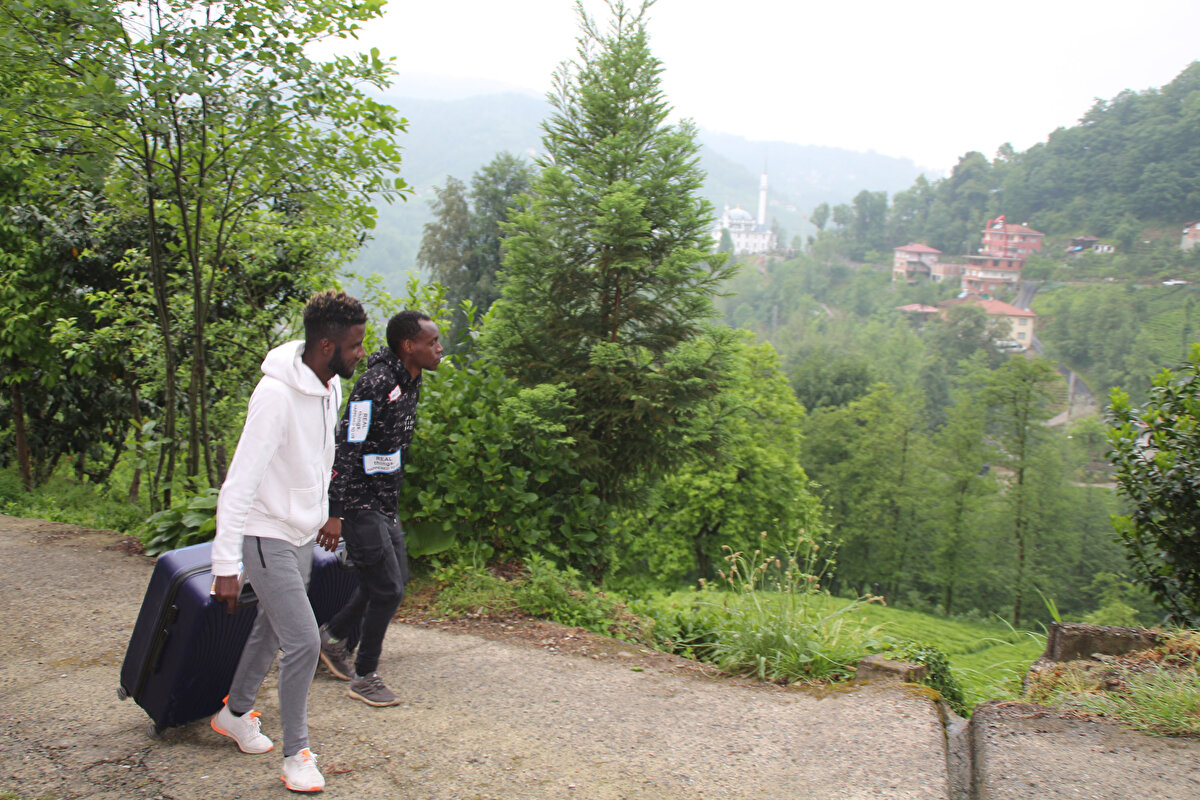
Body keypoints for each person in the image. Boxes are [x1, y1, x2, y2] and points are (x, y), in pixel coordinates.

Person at [209, 290, 367, 793]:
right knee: (303, 640)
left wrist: (324, 514)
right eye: (355, 345)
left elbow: (321, 459)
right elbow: (238, 484)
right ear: (327, 346)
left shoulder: (329, 387)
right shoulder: (275, 396)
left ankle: (235, 713)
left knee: (271, 629)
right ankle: (297, 754)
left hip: (298, 533)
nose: (361, 352)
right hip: (265, 534)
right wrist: (225, 565)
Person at [318, 310, 442, 707]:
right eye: (432, 342)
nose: (439, 349)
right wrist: (335, 511)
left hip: (385, 500)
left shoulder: (410, 380)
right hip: (358, 500)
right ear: (409, 346)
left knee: (393, 581)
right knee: (387, 589)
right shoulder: (375, 383)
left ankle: (333, 639)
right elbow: (347, 445)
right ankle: (365, 675)